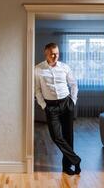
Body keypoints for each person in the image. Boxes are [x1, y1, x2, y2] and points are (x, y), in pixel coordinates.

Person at [35, 42, 81, 175]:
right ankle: (76, 159)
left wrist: (73, 101)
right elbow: (37, 90)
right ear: (46, 53)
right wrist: (44, 106)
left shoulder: (65, 67)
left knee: (68, 137)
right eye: (52, 54)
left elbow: (73, 84)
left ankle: (67, 167)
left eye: (57, 54)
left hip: (66, 103)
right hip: (51, 107)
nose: (55, 56)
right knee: (56, 137)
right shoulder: (37, 69)